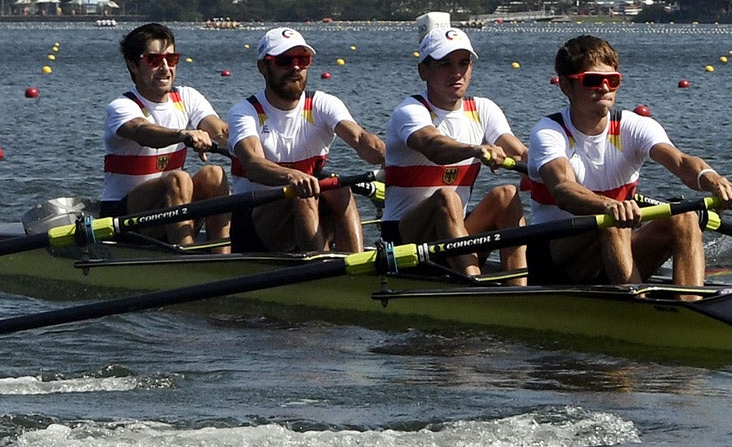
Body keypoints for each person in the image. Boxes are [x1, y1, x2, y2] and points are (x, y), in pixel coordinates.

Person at [521, 34, 732, 287]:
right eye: (593, 81)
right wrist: (608, 205)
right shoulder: (549, 131)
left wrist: (713, 180)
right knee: (612, 221)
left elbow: (681, 162)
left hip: (612, 245)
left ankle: (690, 302)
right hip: (555, 261)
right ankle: (635, 302)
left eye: (612, 80)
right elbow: (563, 190)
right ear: (566, 86)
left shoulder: (632, 126)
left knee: (685, 217)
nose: (605, 88)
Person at [379, 23, 529, 280]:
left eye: (463, 63)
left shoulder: (483, 109)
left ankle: (519, 287)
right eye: (445, 64)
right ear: (423, 70)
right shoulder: (411, 111)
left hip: (454, 232)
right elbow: (433, 146)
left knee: (507, 194)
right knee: (446, 197)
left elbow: (520, 153)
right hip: (405, 239)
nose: (456, 73)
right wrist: (476, 149)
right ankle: (473, 284)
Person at [226, 27, 386, 253]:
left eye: (303, 59)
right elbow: (253, 165)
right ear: (263, 66)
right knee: (304, 193)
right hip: (255, 225)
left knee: (339, 188)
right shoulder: (245, 112)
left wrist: (390, 156)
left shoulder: (323, 104)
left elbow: (360, 139)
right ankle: (322, 268)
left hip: (305, 211)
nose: (295, 67)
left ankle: (354, 263)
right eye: (284, 61)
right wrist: (294, 176)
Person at [100, 22, 232, 248]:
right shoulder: (122, 106)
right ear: (133, 65)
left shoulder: (187, 97)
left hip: (169, 208)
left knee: (214, 174)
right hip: (122, 218)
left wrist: (254, 146)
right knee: (178, 178)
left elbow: (220, 131)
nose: (164, 68)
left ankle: (222, 257)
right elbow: (143, 132)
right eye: (153, 60)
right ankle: (187, 261)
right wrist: (184, 134)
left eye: (170, 60)